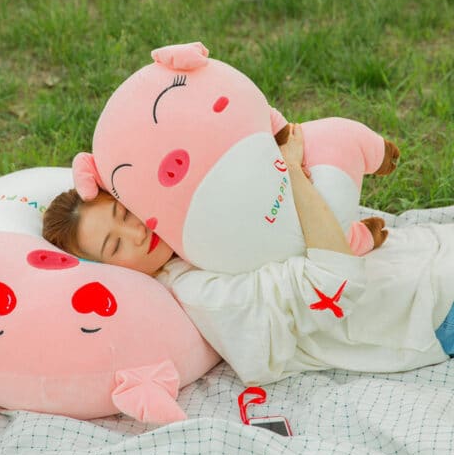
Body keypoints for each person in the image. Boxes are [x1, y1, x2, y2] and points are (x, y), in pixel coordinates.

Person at [43, 125, 454, 386]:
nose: (137, 231)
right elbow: (332, 283)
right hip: (428, 305)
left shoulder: (193, 224)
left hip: (427, 250)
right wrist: (292, 171)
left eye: (125, 212)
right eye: (115, 246)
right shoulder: (202, 292)